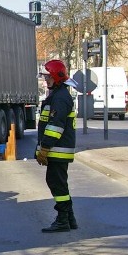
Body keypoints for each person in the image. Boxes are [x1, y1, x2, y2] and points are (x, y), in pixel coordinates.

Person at [36, 59, 78, 233]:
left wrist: (45, 148)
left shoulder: (60, 98)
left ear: (56, 77)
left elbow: (55, 126)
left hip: (57, 150)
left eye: (48, 77)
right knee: (59, 183)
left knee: (56, 183)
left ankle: (62, 220)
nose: (46, 81)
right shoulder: (58, 95)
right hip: (57, 149)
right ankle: (69, 218)